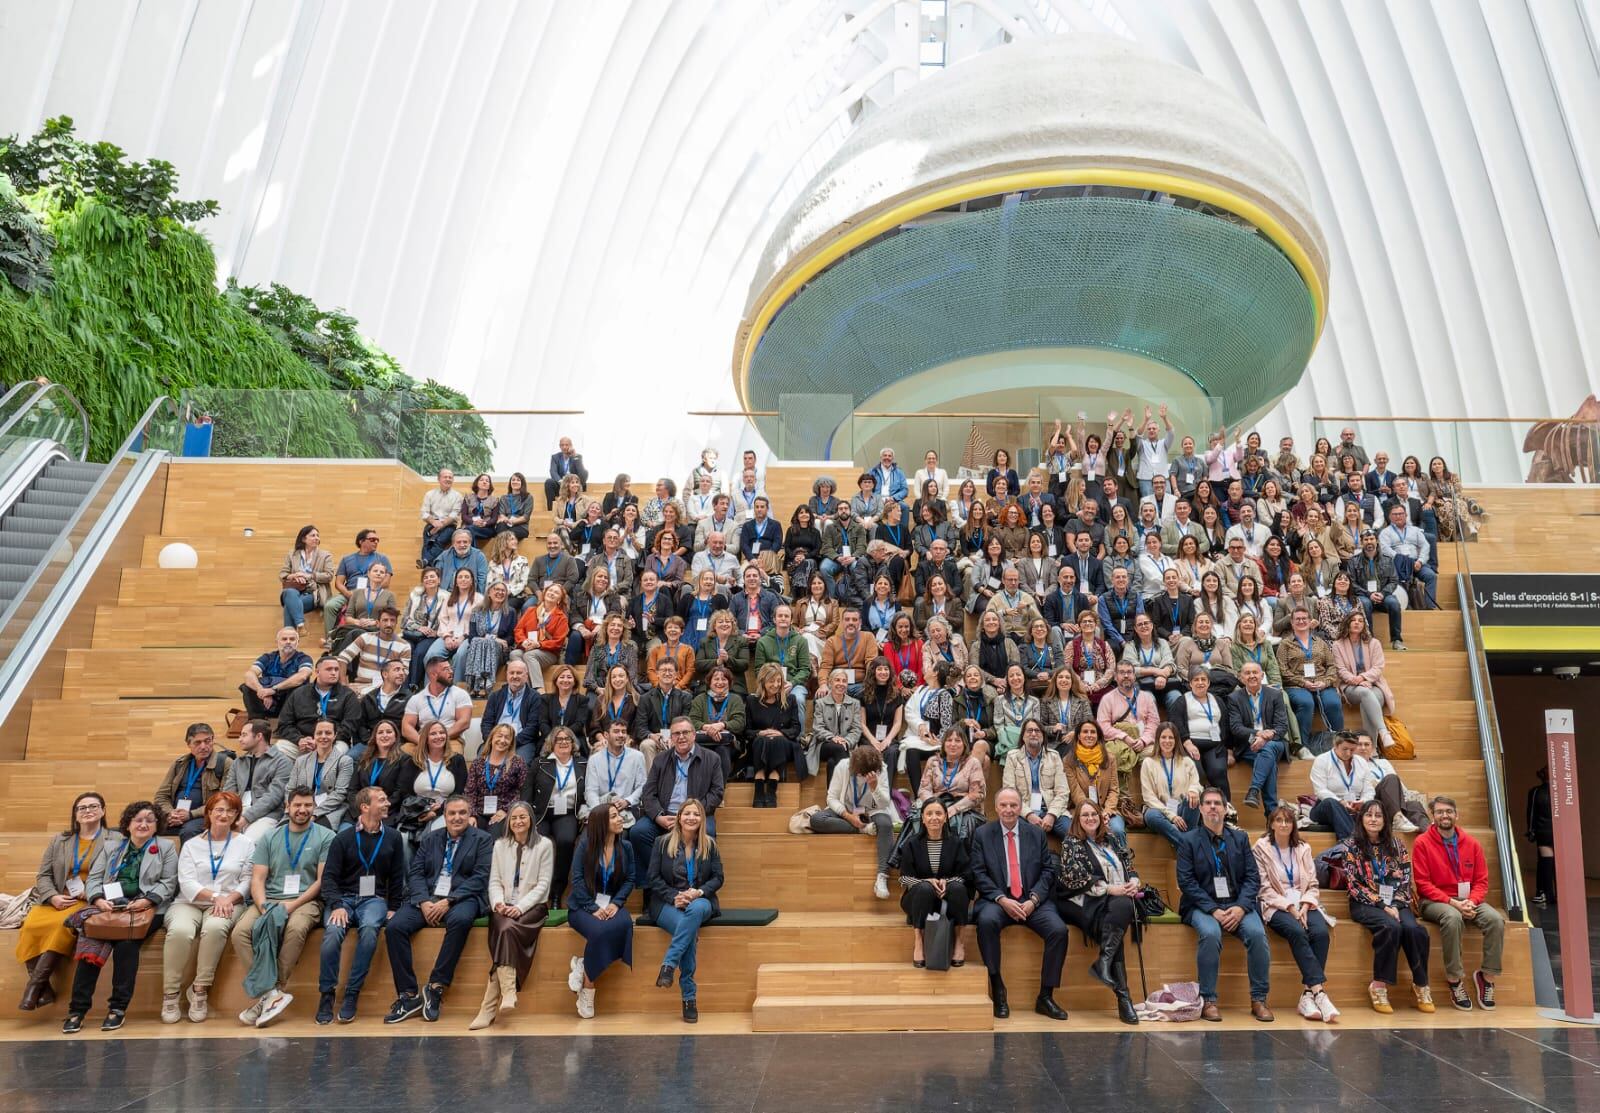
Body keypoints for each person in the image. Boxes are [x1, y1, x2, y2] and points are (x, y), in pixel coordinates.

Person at [60, 801, 178, 1033]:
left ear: (157, 825)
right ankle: (77, 1010)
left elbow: (169, 882)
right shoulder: (112, 847)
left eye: (149, 820)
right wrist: (97, 900)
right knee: (90, 947)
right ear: (128, 824)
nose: (143, 824)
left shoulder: (165, 847)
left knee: (126, 945)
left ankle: (117, 1008)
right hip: (109, 907)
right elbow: (94, 879)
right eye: (138, 820)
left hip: (146, 909)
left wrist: (147, 900)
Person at [383, 795, 493, 1023]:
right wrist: (423, 901)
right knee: (395, 927)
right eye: (452, 813)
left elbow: (481, 877)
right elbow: (415, 873)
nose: (457, 818)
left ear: (469, 814)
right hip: (429, 897)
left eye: (462, 813)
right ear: (444, 816)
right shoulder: (431, 838)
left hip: (463, 897)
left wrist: (448, 901)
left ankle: (435, 987)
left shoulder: (483, 839)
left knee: (460, 921)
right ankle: (408, 995)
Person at [232, 786, 334, 1027]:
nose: (302, 809)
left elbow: (321, 881)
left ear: (314, 808)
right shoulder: (270, 837)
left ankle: (274, 991)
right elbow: (257, 879)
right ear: (287, 807)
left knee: (296, 929)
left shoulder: (326, 836)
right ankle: (271, 996)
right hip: (270, 899)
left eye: (308, 805)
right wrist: (264, 905)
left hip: (306, 901)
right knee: (240, 933)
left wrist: (291, 906)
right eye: (297, 805)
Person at [970, 787, 1070, 1019]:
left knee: (1058, 930)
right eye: (1003, 805)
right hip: (998, 899)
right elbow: (978, 873)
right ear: (996, 808)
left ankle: (1045, 996)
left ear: (1020, 807)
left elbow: (1048, 870)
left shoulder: (1035, 833)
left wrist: (1034, 899)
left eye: (1013, 805)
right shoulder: (983, 834)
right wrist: (1002, 899)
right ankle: (997, 987)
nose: (1008, 810)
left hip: (1031, 899)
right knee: (986, 922)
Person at [1176, 787, 1274, 1021]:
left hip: (1237, 903)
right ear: (1200, 808)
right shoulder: (1188, 840)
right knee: (1210, 934)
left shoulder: (1239, 838)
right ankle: (1209, 1000)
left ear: (1225, 808)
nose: (1212, 807)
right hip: (1201, 906)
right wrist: (1214, 910)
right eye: (1207, 803)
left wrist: (1240, 907)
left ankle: (1258, 999)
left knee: (1257, 934)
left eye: (1217, 803)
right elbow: (1186, 882)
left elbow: (1252, 878)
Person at [160, 791, 254, 1023]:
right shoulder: (192, 845)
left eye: (230, 811)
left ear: (236, 815)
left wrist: (227, 899)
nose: (224, 815)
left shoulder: (246, 843)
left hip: (230, 902)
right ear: (209, 813)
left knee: (215, 928)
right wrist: (216, 898)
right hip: (189, 902)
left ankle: (200, 990)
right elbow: (187, 881)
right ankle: (170, 993)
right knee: (180, 931)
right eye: (219, 810)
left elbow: (248, 879)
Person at [319, 786, 408, 1023]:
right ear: (365, 807)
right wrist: (336, 904)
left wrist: (394, 907)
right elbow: (329, 878)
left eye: (387, 798)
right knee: (332, 933)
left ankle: (351, 994)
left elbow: (397, 876)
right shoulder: (343, 838)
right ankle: (326, 994)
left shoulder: (393, 837)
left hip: (374, 900)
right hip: (344, 899)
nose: (388, 803)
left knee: (369, 931)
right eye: (382, 799)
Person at [16, 791, 107, 1011]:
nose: (88, 811)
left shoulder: (114, 840)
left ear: (103, 811)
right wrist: (53, 896)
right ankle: (44, 989)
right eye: (82, 808)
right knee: (29, 926)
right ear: (75, 815)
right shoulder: (60, 840)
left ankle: (34, 987)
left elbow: (116, 875)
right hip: (56, 899)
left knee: (60, 927)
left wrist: (93, 894)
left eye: (93, 806)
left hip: (87, 901)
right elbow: (43, 875)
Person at [1342, 799, 1434, 1014]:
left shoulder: (1397, 845)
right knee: (1390, 927)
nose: (1373, 819)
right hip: (1365, 903)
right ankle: (1378, 985)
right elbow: (1353, 884)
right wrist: (1383, 905)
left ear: (1385, 820)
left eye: (1378, 815)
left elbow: (1405, 880)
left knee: (1415, 930)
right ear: (1361, 818)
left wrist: (1396, 904)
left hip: (1397, 902)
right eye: (1369, 815)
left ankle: (1421, 984)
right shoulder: (1350, 846)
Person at [1413, 796, 1504, 1011]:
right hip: (1435, 901)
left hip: (1467, 900)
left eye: (1449, 811)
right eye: (1439, 812)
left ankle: (1487, 977)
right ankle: (1454, 981)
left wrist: (1471, 901)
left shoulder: (1472, 843)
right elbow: (1422, 884)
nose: (1444, 815)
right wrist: (1453, 903)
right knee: (1453, 918)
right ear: (1433, 817)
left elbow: (1481, 881)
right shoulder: (1422, 843)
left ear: (1457, 815)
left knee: (1496, 920)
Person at [1055, 800, 1140, 1024]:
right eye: (1085, 815)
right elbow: (1074, 878)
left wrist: (1134, 881)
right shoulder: (1072, 842)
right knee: (1116, 923)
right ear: (1078, 820)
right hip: (1082, 899)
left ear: (1101, 817)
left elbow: (1128, 865)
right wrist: (1111, 888)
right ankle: (1124, 998)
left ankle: (1104, 962)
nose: (1090, 818)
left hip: (1114, 899)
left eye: (1094, 814)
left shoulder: (1111, 838)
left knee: (1122, 906)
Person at [471, 801, 554, 1029]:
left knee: (505, 931)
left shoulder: (544, 845)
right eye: (514, 817)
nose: (518, 821)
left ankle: (488, 1007)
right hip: (503, 905)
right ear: (508, 821)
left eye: (522, 817)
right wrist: (498, 903)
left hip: (532, 906)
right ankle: (506, 994)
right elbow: (494, 881)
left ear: (531, 820)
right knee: (503, 926)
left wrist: (520, 907)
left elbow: (543, 886)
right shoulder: (499, 845)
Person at [1254, 804, 1339, 1021]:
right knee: (1297, 932)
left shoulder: (1303, 848)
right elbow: (1263, 888)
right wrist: (1289, 907)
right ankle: (1319, 992)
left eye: (1288, 821)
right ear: (1271, 824)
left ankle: (1307, 995)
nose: (1284, 824)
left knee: (1320, 933)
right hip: (1276, 905)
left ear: (1294, 825)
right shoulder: (1261, 848)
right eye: (1279, 820)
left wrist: (1303, 905)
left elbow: (1312, 883)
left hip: (1303, 903)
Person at [646, 796, 722, 1024]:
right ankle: (689, 997)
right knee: (686, 931)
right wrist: (674, 896)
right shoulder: (661, 843)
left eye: (696, 814)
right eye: (687, 813)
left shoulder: (710, 845)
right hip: (667, 904)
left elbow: (719, 878)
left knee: (696, 909)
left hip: (700, 902)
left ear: (703, 819)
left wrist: (698, 892)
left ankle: (668, 964)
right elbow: (653, 878)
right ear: (679, 818)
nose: (691, 818)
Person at [629, 717, 725, 887]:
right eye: (676, 734)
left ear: (694, 735)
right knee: (638, 832)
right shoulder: (661, 759)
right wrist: (658, 816)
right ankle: (653, 885)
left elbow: (717, 792)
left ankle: (699, 886)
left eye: (685, 732)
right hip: (666, 814)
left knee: (708, 833)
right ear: (671, 738)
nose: (681, 737)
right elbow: (648, 793)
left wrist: (692, 814)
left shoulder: (712, 758)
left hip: (697, 814)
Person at [567, 800, 635, 1019]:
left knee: (624, 924)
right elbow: (576, 880)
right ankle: (589, 988)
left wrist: (616, 903)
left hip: (612, 904)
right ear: (600, 823)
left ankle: (584, 964)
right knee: (598, 931)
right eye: (613, 816)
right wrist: (592, 907)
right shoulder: (584, 846)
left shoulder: (626, 847)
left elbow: (630, 879)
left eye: (619, 815)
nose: (620, 819)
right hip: (583, 906)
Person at [810, 745, 898, 900]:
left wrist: (874, 787)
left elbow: (884, 803)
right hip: (848, 808)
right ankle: (862, 830)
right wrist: (848, 816)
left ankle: (882, 876)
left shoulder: (881, 769)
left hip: (873, 809)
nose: (865, 777)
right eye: (862, 775)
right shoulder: (843, 766)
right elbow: (831, 798)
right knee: (816, 819)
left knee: (885, 824)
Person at [896, 797, 970, 967]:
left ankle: (959, 942)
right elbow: (903, 877)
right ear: (922, 818)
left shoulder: (956, 843)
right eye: (929, 814)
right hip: (919, 900)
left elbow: (966, 874)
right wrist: (927, 882)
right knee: (924, 888)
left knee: (958, 888)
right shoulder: (912, 844)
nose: (934, 817)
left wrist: (947, 882)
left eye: (938, 813)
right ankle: (919, 941)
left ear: (946, 817)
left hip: (947, 899)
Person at [528, 726, 586, 908]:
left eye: (567, 739)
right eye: (559, 739)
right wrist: (526, 813)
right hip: (542, 813)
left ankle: (556, 892)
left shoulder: (583, 764)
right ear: (551, 743)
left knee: (566, 841)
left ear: (573, 743)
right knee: (536, 841)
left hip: (567, 813)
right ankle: (535, 891)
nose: (563, 742)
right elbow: (527, 791)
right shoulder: (540, 763)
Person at [1225, 661, 1292, 812]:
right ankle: (1271, 813)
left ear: (1262, 675)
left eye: (1255, 672)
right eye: (1247, 673)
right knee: (1269, 761)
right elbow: (1236, 728)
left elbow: (1282, 726)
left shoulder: (1275, 694)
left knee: (1268, 747)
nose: (1252, 676)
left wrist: (1266, 737)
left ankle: (1254, 790)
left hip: (1275, 740)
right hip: (1249, 743)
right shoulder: (1234, 698)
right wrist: (1258, 734)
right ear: (1241, 677)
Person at [153, 723, 232, 841]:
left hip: (207, 815)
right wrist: (170, 813)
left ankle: (186, 860)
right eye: (197, 742)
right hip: (176, 814)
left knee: (189, 831)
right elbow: (161, 795)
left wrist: (190, 814)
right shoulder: (179, 764)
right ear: (189, 744)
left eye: (207, 741)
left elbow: (225, 799)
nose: (203, 746)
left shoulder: (225, 763)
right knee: (146, 825)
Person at [1331, 610, 1397, 751]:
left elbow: (1378, 667)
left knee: (1367, 703)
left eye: (1360, 621)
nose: (1357, 623)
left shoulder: (1374, 643)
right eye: (1353, 620)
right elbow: (1341, 670)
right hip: (1350, 686)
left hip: (1373, 684)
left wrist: (1364, 677)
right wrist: (1358, 680)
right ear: (1347, 623)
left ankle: (1371, 751)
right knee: (1366, 694)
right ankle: (1383, 732)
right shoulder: (1337, 645)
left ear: (1364, 625)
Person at [222, 718, 295, 843]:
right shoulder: (238, 763)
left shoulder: (283, 762)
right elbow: (228, 793)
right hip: (236, 812)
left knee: (247, 843)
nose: (240, 739)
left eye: (244, 735)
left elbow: (273, 797)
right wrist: (227, 815)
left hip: (266, 815)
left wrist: (245, 818)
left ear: (259, 736)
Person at [275, 655, 363, 757]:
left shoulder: (348, 695)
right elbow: (284, 724)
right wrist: (299, 739)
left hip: (334, 742)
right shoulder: (299, 693)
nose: (334, 673)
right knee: (279, 749)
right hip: (304, 742)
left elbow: (350, 726)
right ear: (317, 672)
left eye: (336, 669)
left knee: (336, 753)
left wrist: (324, 740)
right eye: (329, 669)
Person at [1002, 717, 1071, 840]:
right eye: (1029, 731)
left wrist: (1052, 815)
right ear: (1023, 736)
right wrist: (1029, 814)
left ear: (1043, 736)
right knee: (1028, 837)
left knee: (1073, 834)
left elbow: (1063, 792)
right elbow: (1010, 793)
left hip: (1052, 809)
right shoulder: (1012, 757)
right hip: (1024, 811)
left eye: (1037, 731)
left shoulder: (1054, 756)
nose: (1033, 734)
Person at [322, 529, 395, 640]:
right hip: (349, 593)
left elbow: (386, 582)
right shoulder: (347, 559)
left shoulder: (382, 558)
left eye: (377, 540)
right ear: (361, 541)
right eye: (372, 539)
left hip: (373, 592)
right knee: (330, 606)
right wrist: (351, 595)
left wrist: (366, 593)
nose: (376, 542)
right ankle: (331, 639)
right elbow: (338, 583)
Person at [1140, 723, 1202, 849]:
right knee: (1151, 816)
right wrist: (1171, 816)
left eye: (1171, 737)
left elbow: (1196, 784)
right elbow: (1148, 797)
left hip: (1181, 808)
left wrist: (1193, 790)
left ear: (1176, 740)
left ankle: (1181, 844)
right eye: (1163, 737)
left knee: (1193, 800)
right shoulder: (1148, 763)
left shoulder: (1187, 761)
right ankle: (1188, 846)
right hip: (1159, 810)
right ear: (1158, 739)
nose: (1167, 741)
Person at [747, 662, 803, 799]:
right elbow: (747, 731)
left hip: (784, 745)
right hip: (759, 745)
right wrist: (760, 733)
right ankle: (762, 783)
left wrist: (781, 733)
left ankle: (769, 786)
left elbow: (796, 728)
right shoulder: (751, 700)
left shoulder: (790, 699)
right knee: (763, 739)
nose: (776, 685)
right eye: (772, 681)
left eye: (779, 681)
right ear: (762, 681)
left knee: (776, 740)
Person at [1308, 732, 1376, 838]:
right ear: (1335, 746)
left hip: (1354, 806)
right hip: (1327, 806)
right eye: (1345, 749)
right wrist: (1340, 802)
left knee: (1374, 803)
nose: (1348, 753)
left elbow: (1369, 789)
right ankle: (1351, 843)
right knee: (1331, 802)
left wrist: (1363, 801)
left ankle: (1350, 845)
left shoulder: (1361, 762)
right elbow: (1320, 790)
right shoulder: (1322, 760)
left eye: (1352, 750)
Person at [291, 718, 355, 828]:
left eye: (328, 733)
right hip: (300, 807)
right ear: (314, 736)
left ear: (335, 735)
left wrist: (314, 813)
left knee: (314, 830)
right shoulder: (301, 760)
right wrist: (296, 807)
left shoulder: (345, 761)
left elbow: (340, 793)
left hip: (329, 810)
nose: (323, 736)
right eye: (319, 733)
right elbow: (290, 788)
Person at [465, 723, 528, 832]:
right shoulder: (478, 763)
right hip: (479, 812)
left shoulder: (517, 762)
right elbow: (470, 792)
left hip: (504, 813)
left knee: (494, 838)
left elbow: (523, 791)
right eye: (499, 736)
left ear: (511, 742)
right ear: (492, 738)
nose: (503, 740)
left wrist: (506, 810)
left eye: (507, 738)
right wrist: (472, 815)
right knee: (473, 836)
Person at [240, 626, 314, 719]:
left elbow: (302, 677)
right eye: (284, 639)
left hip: (291, 704)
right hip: (268, 701)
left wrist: (274, 690)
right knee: (247, 686)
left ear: (297, 642)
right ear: (277, 642)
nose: (288, 642)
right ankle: (257, 721)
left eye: (292, 639)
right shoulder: (268, 657)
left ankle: (286, 723)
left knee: (297, 688)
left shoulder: (304, 658)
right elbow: (249, 674)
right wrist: (261, 691)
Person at [481, 659, 544, 767]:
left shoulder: (535, 697)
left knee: (518, 765)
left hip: (522, 742)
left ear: (526, 675)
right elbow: (486, 723)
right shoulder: (495, 696)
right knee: (481, 764)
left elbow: (533, 728)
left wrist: (510, 742)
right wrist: (493, 740)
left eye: (519, 673)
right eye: (512, 672)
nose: (515, 676)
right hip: (496, 741)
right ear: (507, 675)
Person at [689, 664, 745, 781]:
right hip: (703, 742)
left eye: (724, 679)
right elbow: (692, 721)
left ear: (729, 682)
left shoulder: (735, 699)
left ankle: (719, 792)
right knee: (701, 753)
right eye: (716, 679)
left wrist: (722, 725)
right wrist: (707, 727)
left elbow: (740, 722)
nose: (720, 682)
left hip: (728, 744)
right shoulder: (700, 699)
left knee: (722, 750)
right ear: (709, 682)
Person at [337, 605, 410, 694]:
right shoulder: (366, 638)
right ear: (378, 623)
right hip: (361, 687)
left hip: (387, 690)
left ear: (396, 623)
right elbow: (342, 658)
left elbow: (403, 674)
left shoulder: (404, 646)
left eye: (392, 620)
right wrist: (344, 685)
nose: (389, 624)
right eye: (385, 620)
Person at [278, 525, 336, 636]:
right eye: (313, 535)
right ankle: (300, 625)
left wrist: (308, 576)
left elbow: (329, 576)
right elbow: (283, 574)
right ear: (304, 539)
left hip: (314, 592)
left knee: (289, 606)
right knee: (289, 593)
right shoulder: (292, 554)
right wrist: (294, 576)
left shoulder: (325, 555)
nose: (316, 538)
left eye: (318, 536)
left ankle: (288, 639)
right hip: (295, 589)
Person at [809, 667, 863, 785]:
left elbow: (857, 729)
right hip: (824, 744)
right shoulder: (820, 703)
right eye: (837, 680)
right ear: (830, 683)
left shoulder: (854, 703)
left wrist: (847, 741)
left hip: (847, 745)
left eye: (844, 681)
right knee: (838, 748)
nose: (841, 684)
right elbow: (818, 728)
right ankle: (848, 790)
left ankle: (831, 799)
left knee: (832, 762)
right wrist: (833, 738)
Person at [420, 468, 464, 566]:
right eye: (445, 477)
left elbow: (454, 515)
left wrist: (441, 525)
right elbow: (424, 513)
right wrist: (434, 522)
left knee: (439, 541)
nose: (448, 479)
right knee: (427, 542)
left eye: (450, 477)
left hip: (449, 525)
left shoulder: (458, 496)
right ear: (439, 479)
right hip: (432, 523)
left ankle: (425, 562)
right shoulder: (429, 494)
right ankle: (427, 564)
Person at [1527, 766, 1555, 907]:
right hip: (1558, 832)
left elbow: (1531, 813)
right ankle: (1550, 895)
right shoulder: (1563, 791)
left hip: (1543, 832)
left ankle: (1545, 894)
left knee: (1545, 863)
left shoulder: (1536, 791)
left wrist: (1531, 831)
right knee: (1550, 864)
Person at [544, 437, 588, 508]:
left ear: (571, 445)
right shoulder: (555, 457)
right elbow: (553, 471)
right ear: (560, 446)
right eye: (562, 445)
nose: (564, 447)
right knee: (549, 482)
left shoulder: (577, 456)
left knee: (585, 472)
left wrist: (575, 456)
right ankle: (551, 509)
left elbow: (582, 474)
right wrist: (561, 482)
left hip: (574, 485)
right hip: (561, 485)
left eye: (567, 445)